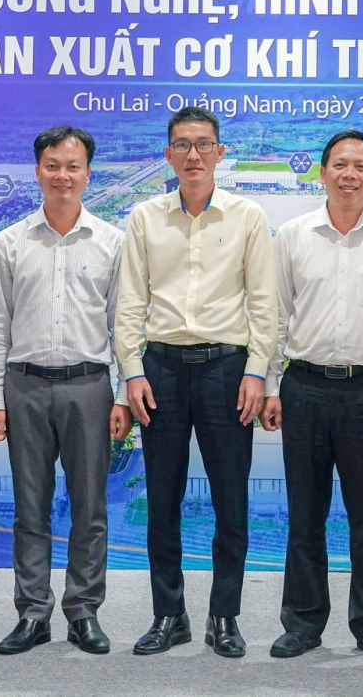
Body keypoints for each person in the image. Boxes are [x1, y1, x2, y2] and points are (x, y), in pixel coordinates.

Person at [115, 106, 276, 658]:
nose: (193, 155)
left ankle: (224, 616)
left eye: (204, 144)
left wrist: (257, 370)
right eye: (182, 145)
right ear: (168, 154)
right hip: (160, 370)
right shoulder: (145, 217)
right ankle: (169, 614)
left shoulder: (247, 216)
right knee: (162, 499)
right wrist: (132, 372)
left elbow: (265, 304)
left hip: (227, 371)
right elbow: (129, 304)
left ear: (220, 153)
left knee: (231, 499)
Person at [262, 129, 363, 664]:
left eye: (360, 166)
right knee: (305, 514)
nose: (349, 175)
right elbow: (275, 316)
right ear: (322, 172)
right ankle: (303, 623)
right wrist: (271, 384)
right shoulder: (293, 234)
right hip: (304, 386)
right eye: (339, 165)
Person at [0, 125, 128, 656]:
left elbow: (122, 324)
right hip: (25, 386)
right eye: (52, 165)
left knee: (90, 507)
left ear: (88, 173)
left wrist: (123, 395)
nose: (62, 175)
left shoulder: (112, 242)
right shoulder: (11, 242)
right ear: (37, 170)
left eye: (73, 166)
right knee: (30, 506)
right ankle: (33, 613)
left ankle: (84, 611)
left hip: (89, 386)